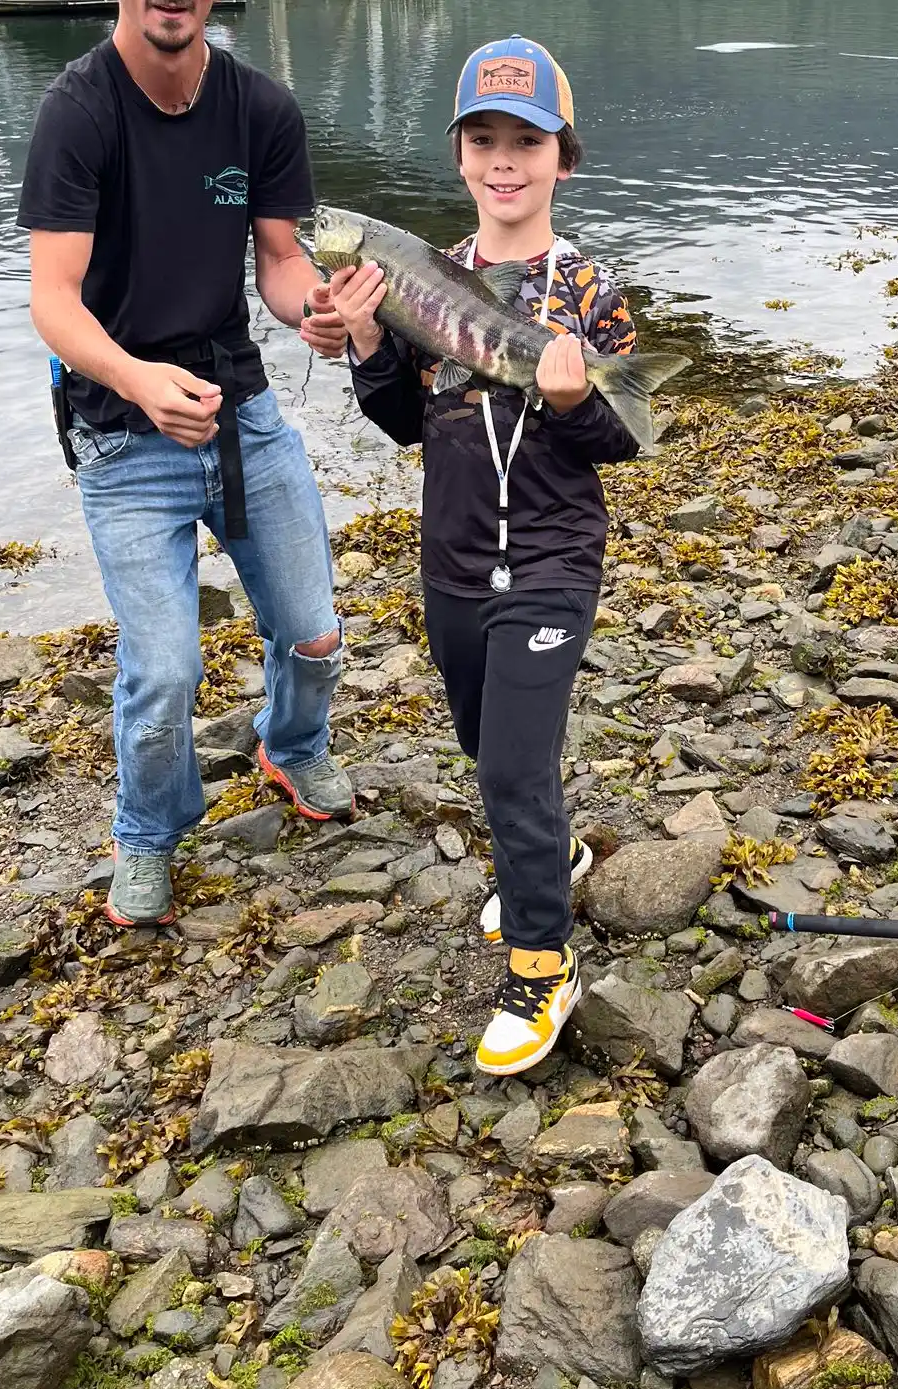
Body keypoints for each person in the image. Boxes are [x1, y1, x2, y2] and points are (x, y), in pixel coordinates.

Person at [331, 35, 645, 1077]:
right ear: (461, 155)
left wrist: (574, 401)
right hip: (454, 563)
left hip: (554, 558)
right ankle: (548, 856)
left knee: (514, 765)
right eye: (486, 140)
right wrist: (374, 349)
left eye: (527, 141)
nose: (505, 160)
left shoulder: (593, 293)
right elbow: (403, 426)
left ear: (563, 156)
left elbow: (620, 442)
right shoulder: (426, 278)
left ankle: (541, 967)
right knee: (482, 742)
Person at [17, 0, 356, 929]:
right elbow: (52, 300)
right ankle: (146, 831)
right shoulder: (77, 112)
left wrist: (315, 311)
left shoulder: (262, 110)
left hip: (238, 412)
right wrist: (135, 380)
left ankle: (290, 745)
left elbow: (281, 263)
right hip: (122, 434)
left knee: (316, 633)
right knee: (164, 670)